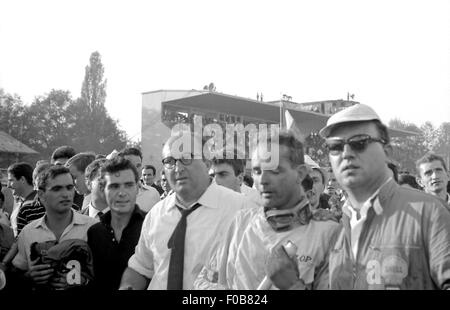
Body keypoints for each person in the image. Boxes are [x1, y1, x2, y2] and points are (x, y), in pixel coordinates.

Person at [319, 103, 450, 290]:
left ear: (387, 152)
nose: (346, 153)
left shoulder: (430, 212)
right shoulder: (339, 231)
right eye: (335, 146)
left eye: (359, 143)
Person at [194, 131, 341, 290]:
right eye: (257, 171)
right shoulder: (240, 223)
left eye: (274, 171)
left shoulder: (328, 233)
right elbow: (204, 282)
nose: (263, 180)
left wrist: (293, 286)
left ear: (300, 174)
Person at [119, 132, 255, 290]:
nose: (178, 168)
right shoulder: (156, 214)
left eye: (186, 158)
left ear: (206, 161)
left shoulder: (241, 210)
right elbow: (141, 268)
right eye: (170, 161)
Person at [11, 165, 97, 290]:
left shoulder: (93, 227)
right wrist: (29, 276)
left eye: (69, 188)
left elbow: (107, 276)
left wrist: (83, 281)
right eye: (57, 189)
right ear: (41, 194)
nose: (66, 194)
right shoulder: (28, 232)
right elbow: (17, 273)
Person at [87, 157, 146, 290]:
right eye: (114, 186)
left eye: (129, 185)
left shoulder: (151, 226)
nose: (122, 193)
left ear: (137, 187)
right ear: (103, 190)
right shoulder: (94, 232)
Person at [117, 148, 160, 213]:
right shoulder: (112, 194)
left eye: (138, 165)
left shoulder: (153, 193)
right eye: (130, 165)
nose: (135, 170)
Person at [7, 162, 36, 237]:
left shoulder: (37, 204)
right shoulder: (20, 202)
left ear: (22, 179)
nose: (8, 185)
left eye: (11, 180)